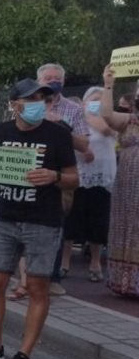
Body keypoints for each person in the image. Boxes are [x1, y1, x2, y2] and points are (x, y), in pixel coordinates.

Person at [0, 78, 78, 359]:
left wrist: (53, 175)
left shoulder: (57, 134)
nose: (37, 105)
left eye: (41, 99)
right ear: (15, 105)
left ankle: (25, 354)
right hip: (6, 217)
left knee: (36, 288)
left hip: (43, 220)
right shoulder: (2, 132)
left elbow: (73, 178)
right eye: (30, 100)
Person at [37, 63, 90, 296]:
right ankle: (27, 278)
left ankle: (53, 277)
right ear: (39, 81)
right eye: (47, 78)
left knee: (55, 225)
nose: (52, 81)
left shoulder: (73, 110)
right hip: (32, 172)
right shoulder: (27, 106)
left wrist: (61, 126)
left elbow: (84, 144)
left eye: (56, 78)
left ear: (63, 82)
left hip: (60, 175)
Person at [61, 87, 116, 282]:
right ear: (84, 102)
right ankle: (65, 262)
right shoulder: (77, 119)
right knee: (72, 218)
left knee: (98, 220)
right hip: (79, 174)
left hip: (101, 177)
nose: (97, 104)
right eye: (93, 100)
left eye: (101, 101)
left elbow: (107, 131)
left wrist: (94, 117)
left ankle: (95, 263)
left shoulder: (108, 120)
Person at [99, 66, 139, 297]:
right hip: (128, 185)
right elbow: (106, 115)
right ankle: (125, 282)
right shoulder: (130, 121)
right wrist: (108, 85)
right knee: (128, 226)